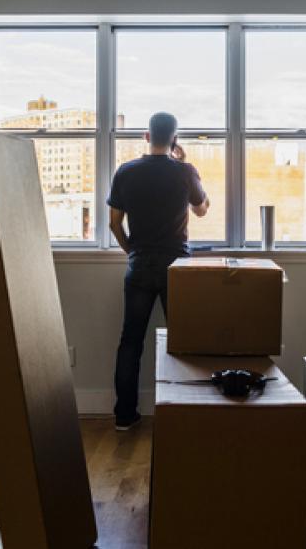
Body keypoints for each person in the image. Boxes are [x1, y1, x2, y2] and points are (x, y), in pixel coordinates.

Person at [107, 112, 209, 430]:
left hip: (140, 264)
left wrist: (132, 252)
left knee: (130, 341)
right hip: (175, 267)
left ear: (146, 136)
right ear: (174, 138)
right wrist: (186, 165)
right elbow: (201, 210)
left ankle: (124, 416)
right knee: (183, 341)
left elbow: (114, 223)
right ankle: (186, 412)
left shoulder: (126, 171)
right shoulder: (184, 171)